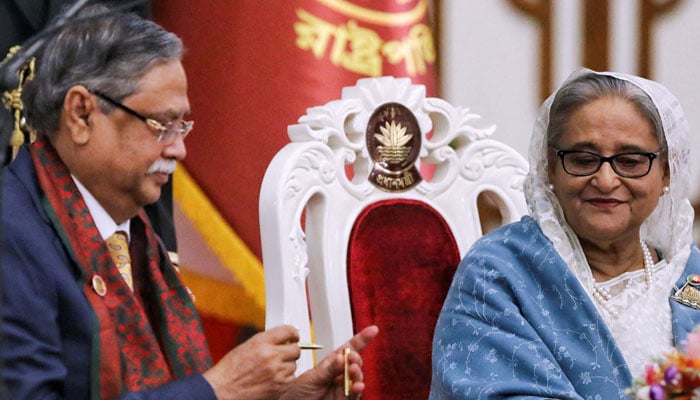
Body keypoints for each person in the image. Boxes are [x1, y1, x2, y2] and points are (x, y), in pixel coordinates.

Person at [0, 4, 378, 400]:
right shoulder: (13, 231)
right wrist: (220, 389)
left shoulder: (132, 230)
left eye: (183, 126)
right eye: (161, 125)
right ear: (81, 114)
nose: (179, 150)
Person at [430, 68, 700, 399]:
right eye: (583, 160)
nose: (605, 180)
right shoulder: (498, 273)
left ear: (666, 173)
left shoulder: (689, 274)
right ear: (551, 168)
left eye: (630, 161)